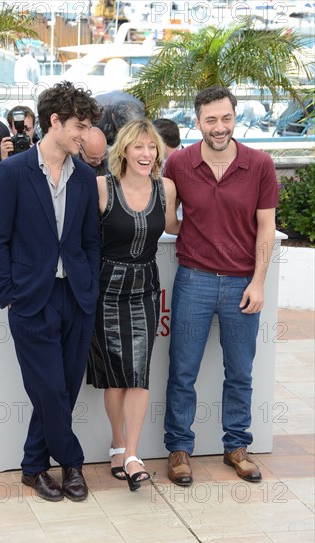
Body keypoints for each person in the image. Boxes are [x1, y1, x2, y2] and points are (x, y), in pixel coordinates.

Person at [0, 81, 102, 502]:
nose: (85, 135)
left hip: (76, 297)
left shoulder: (86, 176)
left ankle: (34, 465)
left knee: (65, 388)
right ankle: (72, 463)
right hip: (31, 299)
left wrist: (87, 286)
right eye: (80, 126)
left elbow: (90, 241)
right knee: (50, 388)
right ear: (55, 121)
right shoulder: (12, 172)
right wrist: (9, 293)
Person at [163, 86, 279, 487]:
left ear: (235, 117)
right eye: (210, 119)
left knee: (240, 372)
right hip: (192, 279)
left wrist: (259, 282)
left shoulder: (260, 163)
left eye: (226, 118)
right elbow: (169, 220)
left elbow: (266, 227)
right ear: (197, 122)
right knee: (182, 371)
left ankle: (237, 447)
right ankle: (179, 449)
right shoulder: (177, 163)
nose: (219, 127)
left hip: (242, 284)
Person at [87, 119, 180, 491]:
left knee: (138, 372)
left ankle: (133, 454)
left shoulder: (166, 188)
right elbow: (82, 239)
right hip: (105, 291)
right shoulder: (101, 187)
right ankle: (117, 441)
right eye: (139, 146)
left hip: (145, 288)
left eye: (152, 147)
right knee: (115, 377)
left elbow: (175, 226)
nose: (146, 154)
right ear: (123, 149)